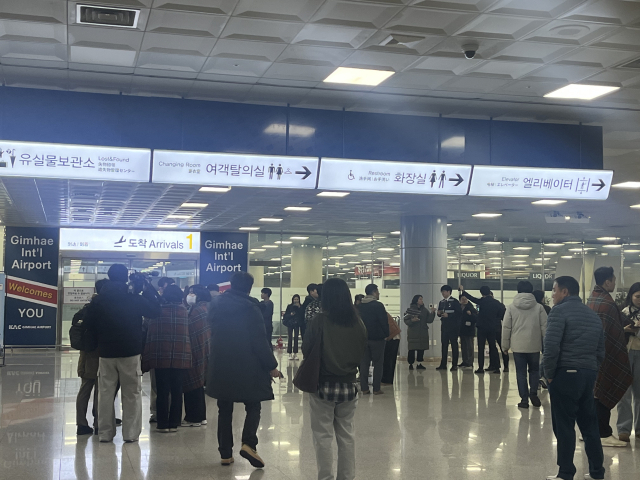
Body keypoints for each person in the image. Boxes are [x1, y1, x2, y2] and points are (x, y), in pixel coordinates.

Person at [207, 272, 280, 468]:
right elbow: (259, 341)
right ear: (249, 287)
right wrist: (271, 366)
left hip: (221, 363)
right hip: (248, 365)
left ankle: (225, 454)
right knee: (254, 404)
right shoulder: (251, 307)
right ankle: (249, 443)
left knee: (224, 408)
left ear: (231, 284)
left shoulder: (215, 304)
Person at [83, 264, 161, 443]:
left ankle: (104, 433)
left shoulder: (99, 300)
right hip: (130, 352)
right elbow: (156, 311)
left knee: (105, 393)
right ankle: (131, 434)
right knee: (131, 393)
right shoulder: (132, 298)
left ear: (109, 277)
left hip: (106, 352)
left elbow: (89, 323)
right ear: (126, 277)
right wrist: (147, 288)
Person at [304, 278, 367, 480]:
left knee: (322, 437)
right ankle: (347, 477)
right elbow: (362, 350)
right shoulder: (357, 322)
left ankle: (325, 477)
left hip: (323, 384)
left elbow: (307, 349)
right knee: (346, 436)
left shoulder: (319, 320)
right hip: (349, 385)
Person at [543, 276, 605, 480]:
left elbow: (551, 348)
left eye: (554, 290)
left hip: (565, 374)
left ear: (565, 292)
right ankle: (597, 472)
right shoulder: (592, 315)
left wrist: (549, 376)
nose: (552, 295)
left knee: (564, 425)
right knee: (589, 425)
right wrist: (591, 370)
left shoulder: (558, 312)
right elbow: (600, 351)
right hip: (588, 375)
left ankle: (566, 472)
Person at [587, 266, 633, 447]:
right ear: (607, 282)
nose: (614, 282)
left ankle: (593, 430)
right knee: (604, 390)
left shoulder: (594, 298)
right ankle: (603, 432)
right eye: (613, 280)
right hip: (605, 355)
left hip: (595, 354)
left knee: (596, 393)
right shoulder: (607, 303)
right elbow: (611, 334)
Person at [142, 284, 192, 432]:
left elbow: (148, 328)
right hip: (181, 355)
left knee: (162, 390)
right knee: (177, 390)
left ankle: (162, 423)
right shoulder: (185, 311)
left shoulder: (157, 311)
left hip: (160, 355)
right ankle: (174, 422)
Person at [75, 279, 121, 435]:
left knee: (86, 388)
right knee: (100, 389)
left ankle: (82, 423)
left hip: (87, 352)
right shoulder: (102, 306)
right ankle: (98, 422)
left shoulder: (89, 306)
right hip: (100, 352)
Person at [502, 280, 548, 409]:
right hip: (534, 346)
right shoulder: (539, 307)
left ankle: (524, 400)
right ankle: (533, 393)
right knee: (534, 371)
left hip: (518, 347)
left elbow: (506, 327)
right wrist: (547, 344)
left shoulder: (511, 307)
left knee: (520, 372)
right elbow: (545, 327)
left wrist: (505, 346)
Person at [183, 285, 212, 427]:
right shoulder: (207, 308)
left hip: (195, 350)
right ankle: (200, 416)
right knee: (198, 383)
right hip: (205, 349)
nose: (190, 295)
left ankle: (194, 417)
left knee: (192, 383)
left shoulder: (197, 311)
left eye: (192, 293)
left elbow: (191, 330)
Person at [460, 285, 503, 374]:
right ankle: (497, 367)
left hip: (482, 328)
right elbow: (501, 313)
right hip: (492, 328)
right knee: (493, 347)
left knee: (481, 347)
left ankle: (480, 368)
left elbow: (471, 298)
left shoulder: (482, 301)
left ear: (482, 293)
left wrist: (463, 291)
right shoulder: (496, 303)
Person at [357, 284, 390, 395]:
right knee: (378, 364)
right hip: (377, 339)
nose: (379, 293)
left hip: (363, 339)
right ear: (374, 292)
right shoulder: (378, 306)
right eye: (378, 291)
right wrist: (386, 334)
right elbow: (384, 322)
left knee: (364, 363)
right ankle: (376, 388)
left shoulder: (360, 306)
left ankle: (364, 388)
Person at [617, 282, 640, 442]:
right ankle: (624, 429)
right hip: (626, 353)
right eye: (638, 296)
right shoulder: (623, 313)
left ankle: (639, 429)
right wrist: (625, 330)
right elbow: (616, 333)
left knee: (639, 393)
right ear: (631, 296)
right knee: (624, 393)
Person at [403, 295, 435, 371]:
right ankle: (410, 364)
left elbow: (429, 320)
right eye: (420, 299)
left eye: (422, 299)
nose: (422, 300)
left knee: (421, 348)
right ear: (416, 300)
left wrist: (433, 313)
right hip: (413, 332)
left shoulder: (424, 310)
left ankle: (419, 363)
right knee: (412, 349)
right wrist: (412, 321)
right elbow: (406, 320)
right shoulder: (410, 310)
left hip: (423, 332)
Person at [436, 285, 462, 371]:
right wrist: (439, 313)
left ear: (449, 292)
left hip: (453, 327)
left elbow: (459, 314)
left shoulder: (455, 302)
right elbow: (440, 312)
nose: (443, 293)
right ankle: (443, 364)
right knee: (444, 345)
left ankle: (454, 364)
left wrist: (449, 315)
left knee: (454, 345)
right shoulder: (441, 302)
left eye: (444, 291)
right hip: (444, 326)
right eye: (442, 292)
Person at [533, 290, 552, 388]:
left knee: (533, 362)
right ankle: (542, 377)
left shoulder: (532, 308)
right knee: (546, 357)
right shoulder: (547, 308)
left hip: (534, 336)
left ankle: (535, 382)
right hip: (545, 336)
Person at [381, 312, 401, 385]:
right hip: (394, 335)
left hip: (392, 336)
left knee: (388, 359)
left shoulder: (377, 312)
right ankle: (387, 380)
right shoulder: (380, 311)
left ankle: (386, 380)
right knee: (390, 359)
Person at [459, 295, 478, 370]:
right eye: (462, 299)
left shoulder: (471, 308)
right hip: (462, 330)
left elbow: (476, 318)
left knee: (469, 346)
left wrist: (471, 314)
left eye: (465, 299)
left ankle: (470, 362)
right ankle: (464, 361)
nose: (464, 300)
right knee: (463, 346)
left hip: (469, 331)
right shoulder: (459, 308)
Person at [493, 293, 510, 373]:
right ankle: (506, 366)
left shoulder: (491, 306)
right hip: (499, 328)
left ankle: (496, 366)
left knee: (493, 348)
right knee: (502, 348)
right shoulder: (500, 305)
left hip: (493, 329)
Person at [283, 294, 304, 360]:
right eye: (295, 299)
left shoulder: (301, 307)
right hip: (290, 324)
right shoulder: (289, 306)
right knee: (290, 338)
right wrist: (290, 314)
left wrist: (299, 308)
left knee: (296, 338)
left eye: (297, 299)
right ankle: (289, 353)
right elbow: (286, 315)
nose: (296, 300)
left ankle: (295, 353)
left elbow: (302, 315)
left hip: (297, 324)